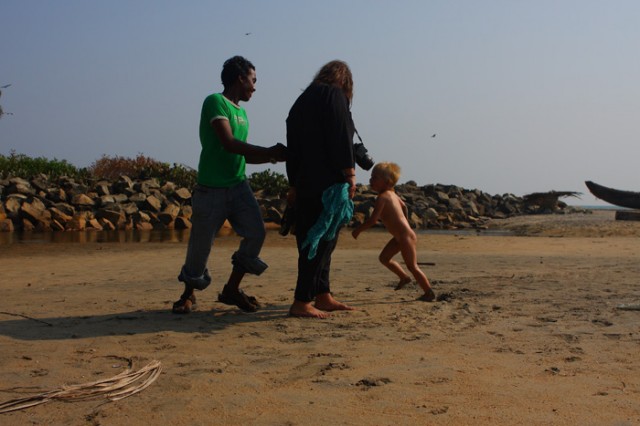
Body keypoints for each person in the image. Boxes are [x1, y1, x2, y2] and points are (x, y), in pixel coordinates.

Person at [172, 56, 286, 314]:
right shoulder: (215, 101)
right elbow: (229, 143)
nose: (255, 86)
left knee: (256, 232)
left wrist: (273, 157)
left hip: (238, 186)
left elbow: (242, 155)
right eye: (253, 80)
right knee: (200, 245)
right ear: (240, 78)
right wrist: (269, 151)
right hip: (210, 188)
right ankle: (188, 294)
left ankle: (232, 289)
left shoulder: (242, 113)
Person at [285, 60, 357, 318]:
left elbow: (292, 145)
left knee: (315, 238)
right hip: (327, 182)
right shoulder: (333, 95)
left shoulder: (302, 101)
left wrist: (293, 182)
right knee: (321, 241)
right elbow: (341, 134)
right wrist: (350, 173)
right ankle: (302, 300)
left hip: (304, 181)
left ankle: (322, 294)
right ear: (344, 81)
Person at [351, 162, 436, 302]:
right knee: (384, 258)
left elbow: (373, 220)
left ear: (387, 182)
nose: (371, 180)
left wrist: (358, 230)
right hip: (400, 237)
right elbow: (404, 207)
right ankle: (404, 277)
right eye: (371, 177)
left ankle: (429, 292)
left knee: (412, 266)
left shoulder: (383, 197)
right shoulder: (393, 195)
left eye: (375, 178)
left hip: (405, 237)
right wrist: (405, 222)